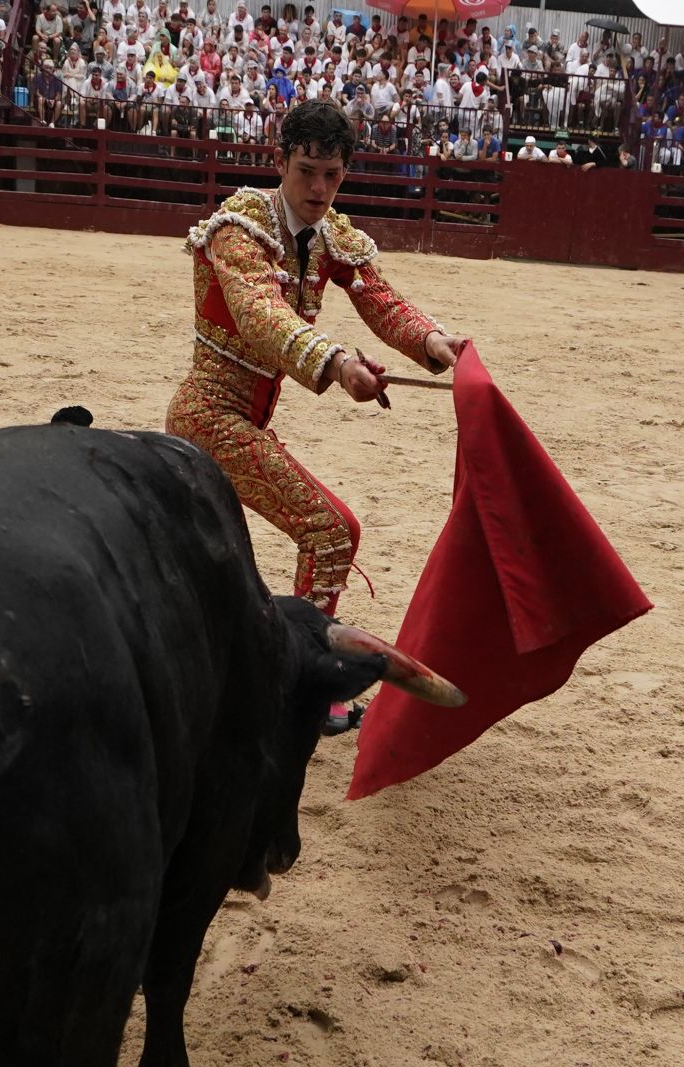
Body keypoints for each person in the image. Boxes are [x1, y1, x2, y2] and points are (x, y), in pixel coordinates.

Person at [164, 100, 466, 733]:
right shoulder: (240, 228)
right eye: (307, 172)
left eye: (333, 175)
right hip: (210, 419)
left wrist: (435, 344)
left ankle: (280, 676)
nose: (320, 190)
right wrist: (333, 364)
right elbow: (260, 317)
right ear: (280, 162)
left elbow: (382, 301)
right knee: (330, 532)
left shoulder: (332, 236)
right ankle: (299, 687)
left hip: (246, 423)